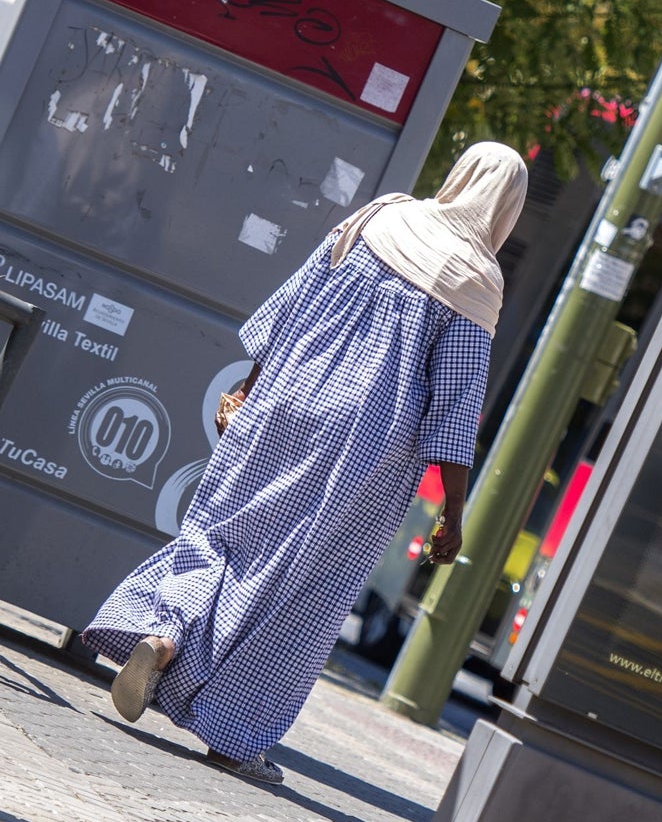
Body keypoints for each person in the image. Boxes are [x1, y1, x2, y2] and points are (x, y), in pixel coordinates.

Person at [81, 142, 529, 784]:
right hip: (362, 453)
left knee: (219, 534)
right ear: (508, 207)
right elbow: (453, 413)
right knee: (301, 589)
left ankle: (162, 634)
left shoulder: (382, 215)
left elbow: (293, 303)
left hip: (282, 400)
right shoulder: (477, 282)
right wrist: (452, 516)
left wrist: (247, 388)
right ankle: (234, 735)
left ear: (459, 177)